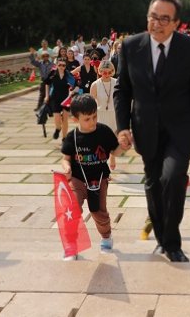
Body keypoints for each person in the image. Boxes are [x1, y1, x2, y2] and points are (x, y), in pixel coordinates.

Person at [114, 0, 190, 263]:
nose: (157, 23)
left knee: (173, 179)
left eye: (164, 19)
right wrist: (122, 127)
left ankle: (172, 243)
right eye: (152, 16)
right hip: (146, 129)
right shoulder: (131, 46)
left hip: (182, 129)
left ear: (176, 23)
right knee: (153, 184)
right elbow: (122, 90)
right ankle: (161, 237)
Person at [60, 94, 125, 260]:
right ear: (76, 119)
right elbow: (65, 158)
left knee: (98, 211)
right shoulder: (72, 137)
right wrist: (66, 167)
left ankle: (106, 237)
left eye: (95, 117)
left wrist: (124, 147)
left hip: (99, 178)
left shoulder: (103, 131)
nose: (93, 122)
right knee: (73, 209)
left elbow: (115, 151)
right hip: (77, 178)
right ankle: (71, 245)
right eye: (87, 119)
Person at [90, 60, 118, 170]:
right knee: (100, 141)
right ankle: (102, 165)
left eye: (109, 72)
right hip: (100, 114)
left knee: (114, 139)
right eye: (104, 72)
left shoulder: (117, 82)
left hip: (114, 114)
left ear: (112, 72)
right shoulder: (95, 85)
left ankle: (112, 157)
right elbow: (91, 104)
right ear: (99, 71)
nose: (106, 75)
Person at [44, 59, 76, 140]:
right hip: (55, 98)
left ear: (65, 66)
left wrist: (72, 92)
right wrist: (47, 96)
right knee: (57, 117)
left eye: (63, 65)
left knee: (65, 119)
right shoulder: (53, 73)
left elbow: (75, 85)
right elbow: (47, 84)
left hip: (66, 99)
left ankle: (64, 137)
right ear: (56, 65)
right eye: (60, 65)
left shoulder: (68, 75)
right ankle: (58, 128)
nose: (61, 67)